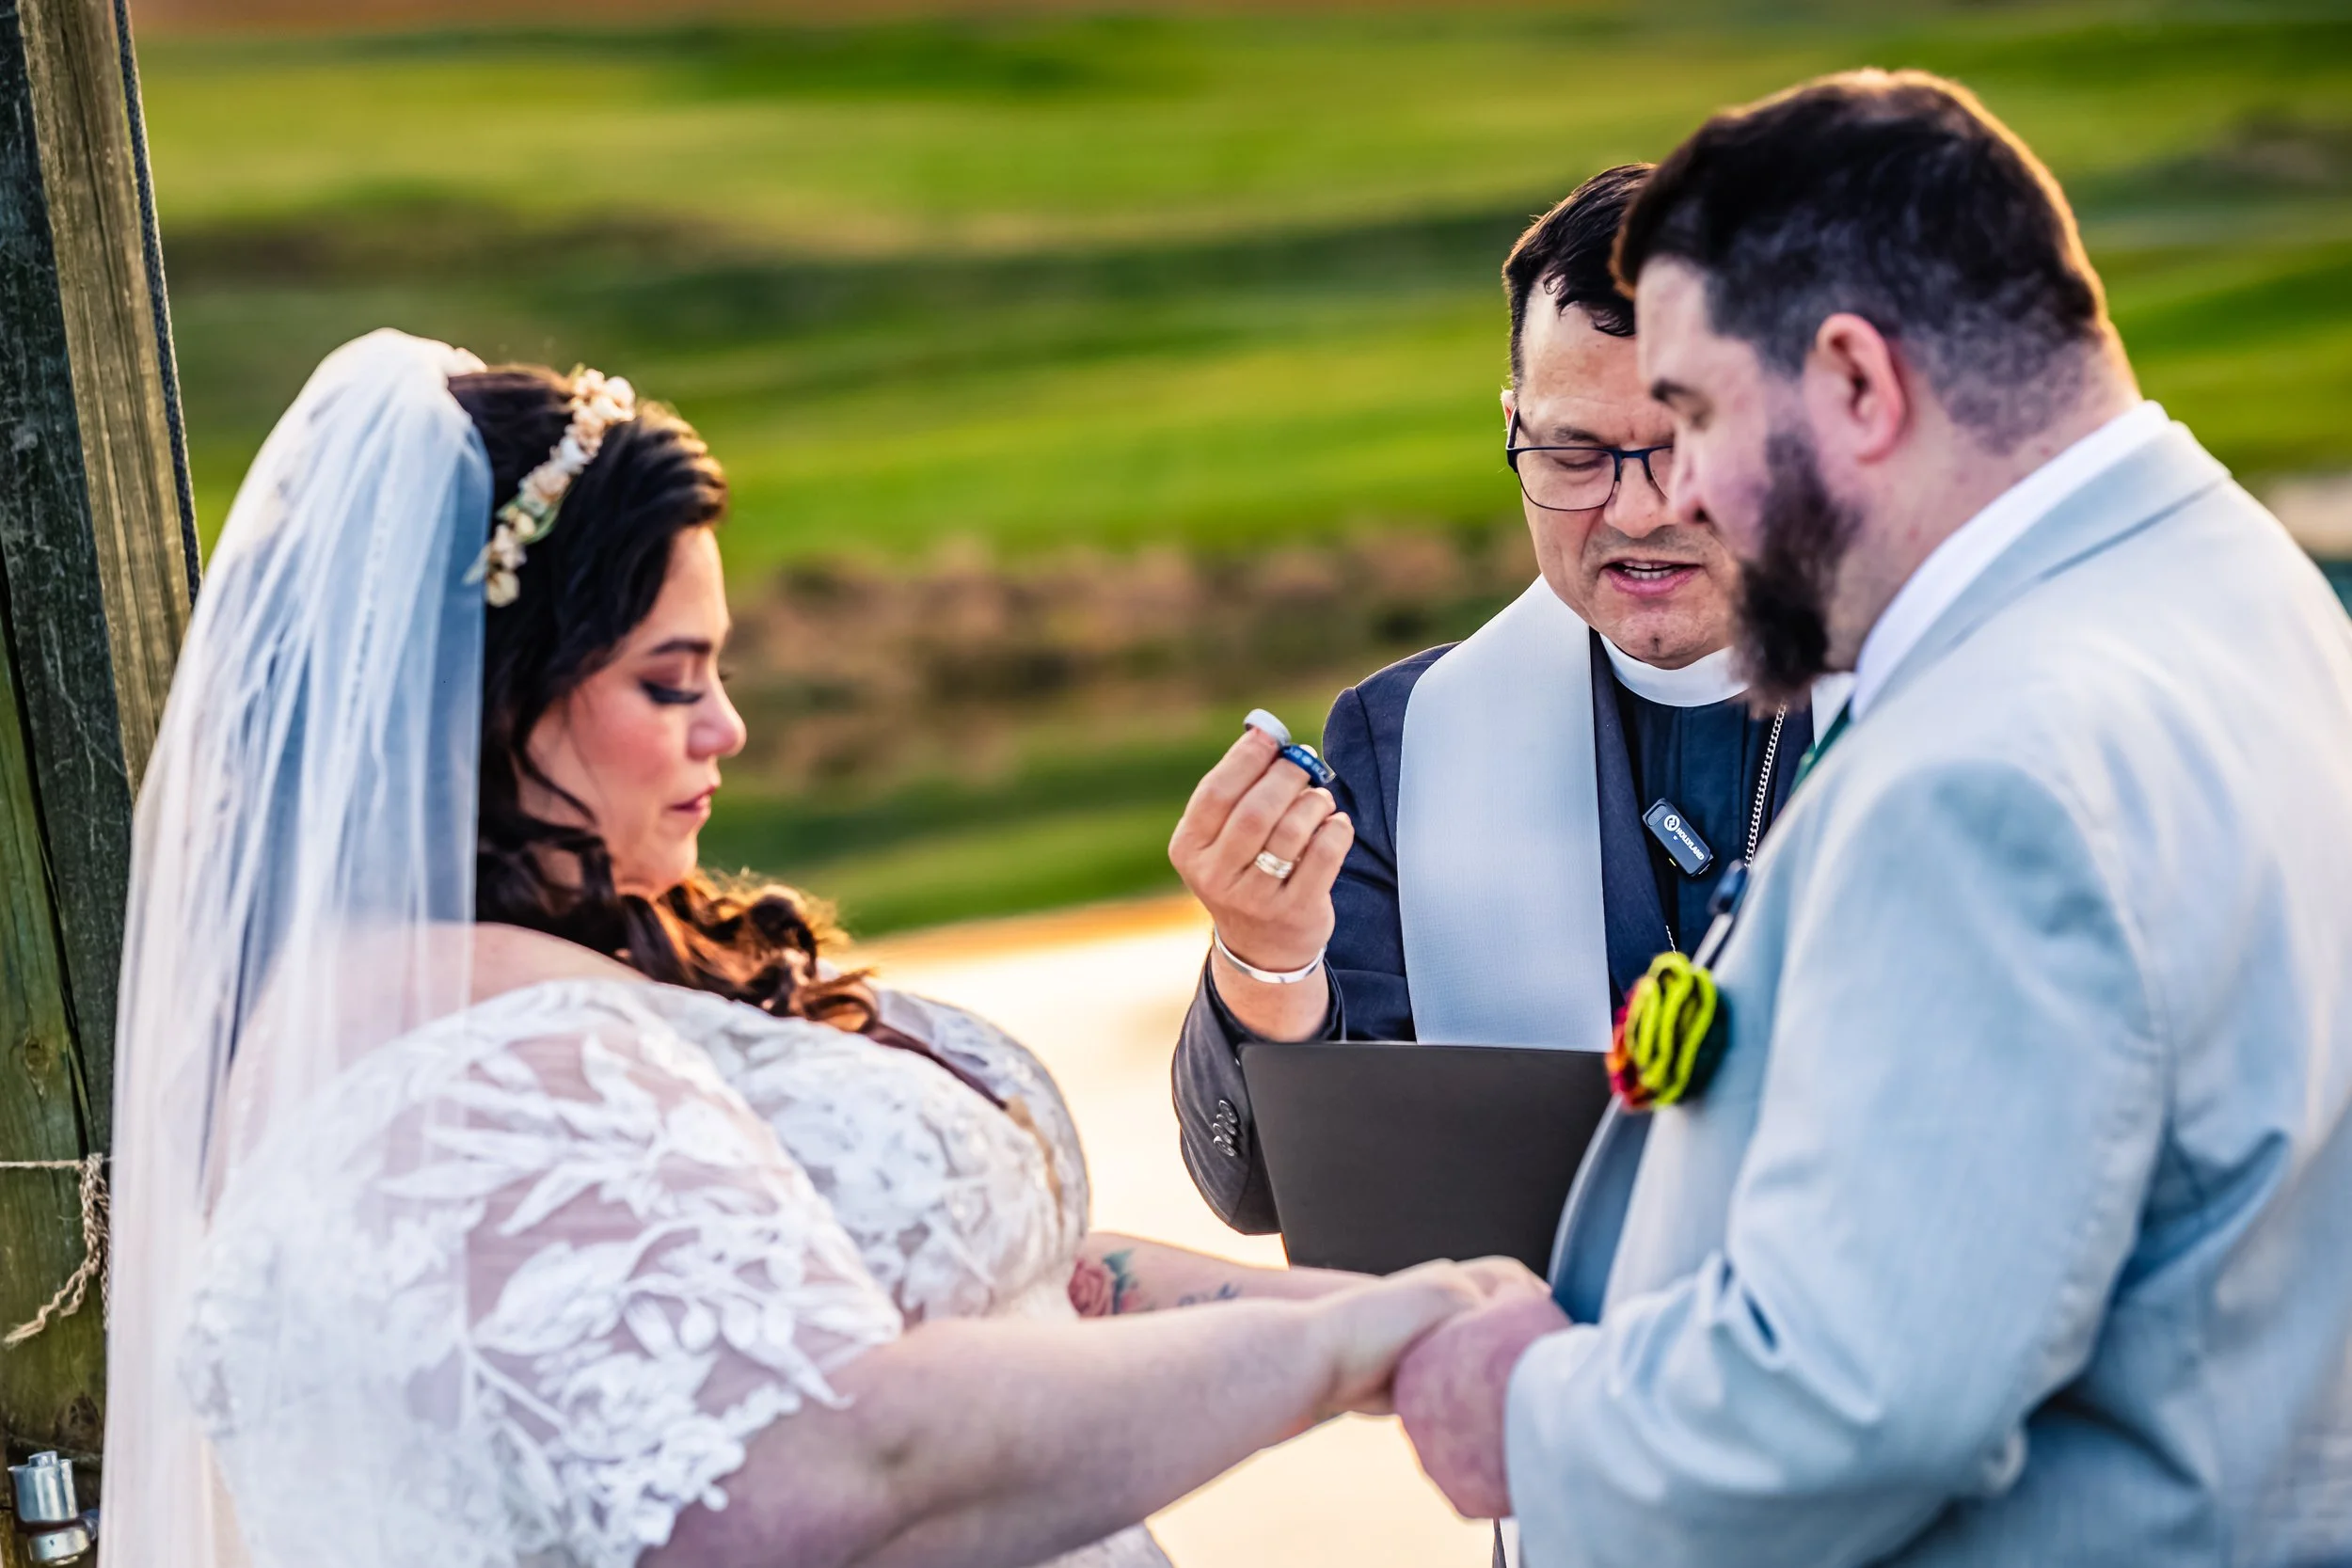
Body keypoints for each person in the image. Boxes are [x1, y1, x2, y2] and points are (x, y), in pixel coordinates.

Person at [100, 329, 1542, 1568]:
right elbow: (816, 1477)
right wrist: (1340, 1349)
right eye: (670, 682)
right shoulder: (443, 1069)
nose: (726, 728)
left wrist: (1401, 1316)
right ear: (489, 695)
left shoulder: (589, 966)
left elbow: (1008, 1278)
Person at [1391, 70, 2352, 1567]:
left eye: (1698, 415)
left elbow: (1846, 1403)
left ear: (1856, 382)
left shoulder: (1993, 775)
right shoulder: (2243, 587)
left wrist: (1516, 1404)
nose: (1674, 496)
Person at [1168, 164, 1843, 1241]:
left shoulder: (1965, 696)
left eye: (1683, 448)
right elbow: (1273, 1194)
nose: (1631, 510)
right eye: (1572, 453)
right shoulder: (1410, 741)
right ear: (1512, 422)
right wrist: (1265, 953)